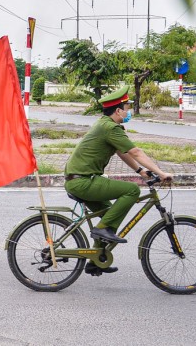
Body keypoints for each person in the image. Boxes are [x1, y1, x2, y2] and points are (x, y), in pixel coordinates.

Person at [64, 85, 173, 273]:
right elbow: (136, 151)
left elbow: (122, 152)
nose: (128, 111)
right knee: (131, 191)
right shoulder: (110, 128)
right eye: (127, 108)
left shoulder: (105, 125)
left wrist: (141, 171)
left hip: (79, 179)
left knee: (108, 214)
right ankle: (102, 231)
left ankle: (96, 260)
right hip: (83, 181)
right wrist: (161, 173)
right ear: (118, 110)